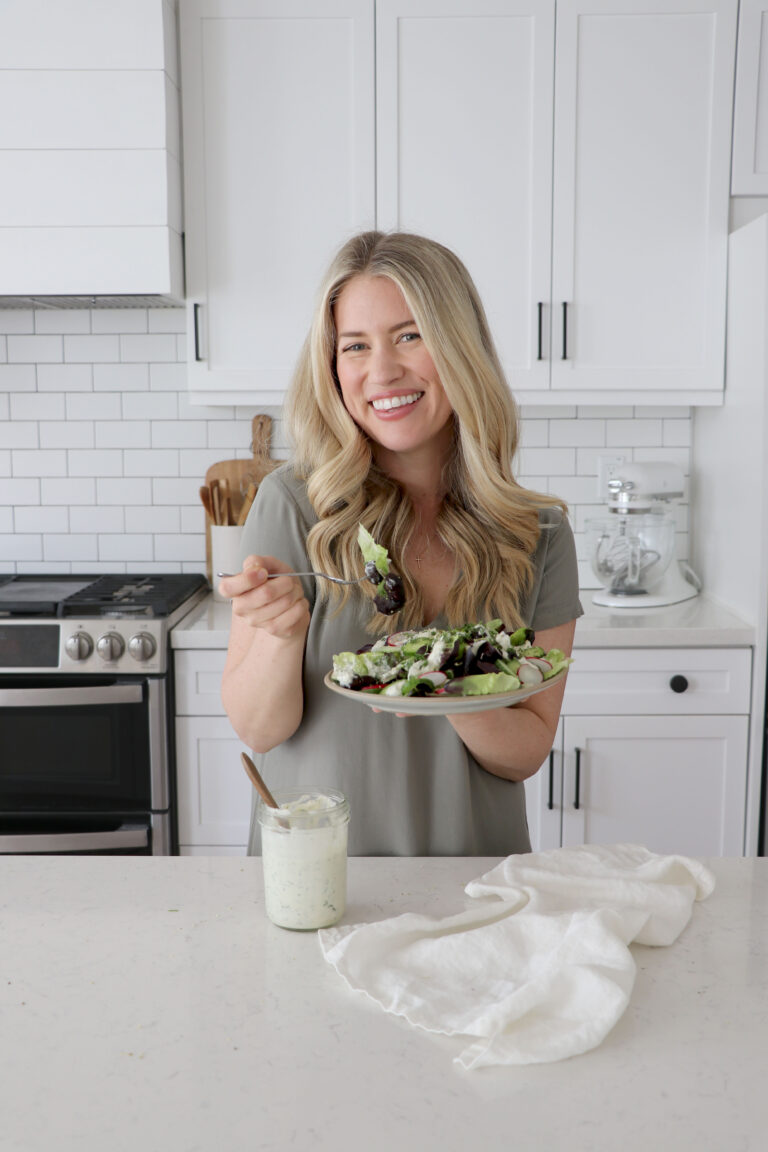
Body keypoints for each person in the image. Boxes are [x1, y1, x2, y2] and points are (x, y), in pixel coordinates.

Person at [219, 230, 583, 856]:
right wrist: (280, 635)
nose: (382, 371)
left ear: (460, 346)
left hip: (476, 880)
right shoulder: (293, 504)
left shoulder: (537, 532)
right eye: (355, 346)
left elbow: (524, 754)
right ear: (332, 367)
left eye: (410, 336)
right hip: (323, 875)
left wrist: (445, 685)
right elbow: (258, 729)